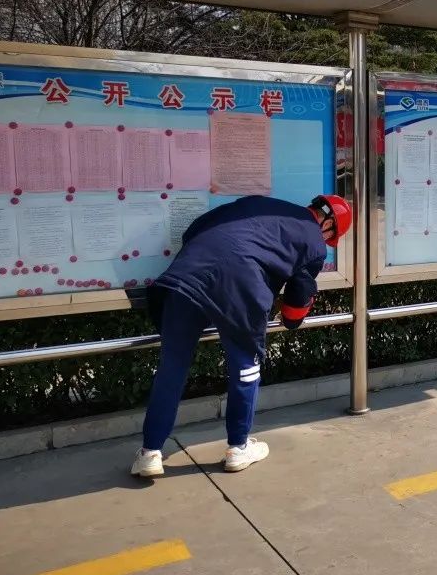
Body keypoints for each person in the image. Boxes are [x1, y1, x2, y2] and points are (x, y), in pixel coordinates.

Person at [131, 194, 352, 477]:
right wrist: (291, 319)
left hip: (188, 276)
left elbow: (194, 230)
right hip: (242, 290)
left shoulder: (258, 203)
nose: (327, 240)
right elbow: (298, 300)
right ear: (328, 224)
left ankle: (150, 453)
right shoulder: (314, 242)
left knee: (172, 366)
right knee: (246, 369)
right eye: (331, 236)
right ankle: (238, 448)